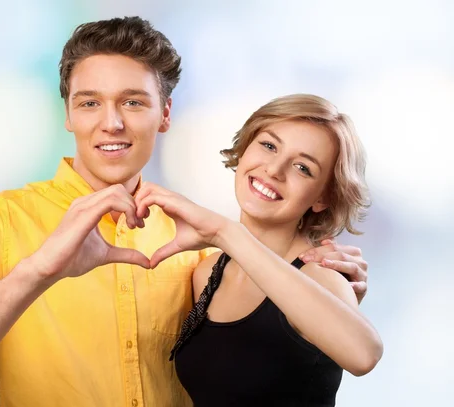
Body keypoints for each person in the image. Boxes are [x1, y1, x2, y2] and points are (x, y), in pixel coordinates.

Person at [0, 17, 370, 407]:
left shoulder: (194, 238)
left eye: (133, 101)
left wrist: (322, 294)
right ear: (68, 113)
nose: (112, 122)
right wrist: (37, 272)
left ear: (165, 114)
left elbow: (258, 355)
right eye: (90, 103)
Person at [132, 94, 383, 406]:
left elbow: (365, 354)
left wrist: (226, 232)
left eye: (303, 167)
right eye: (269, 145)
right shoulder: (208, 273)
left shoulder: (324, 276)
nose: (274, 170)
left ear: (322, 198)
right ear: (246, 147)